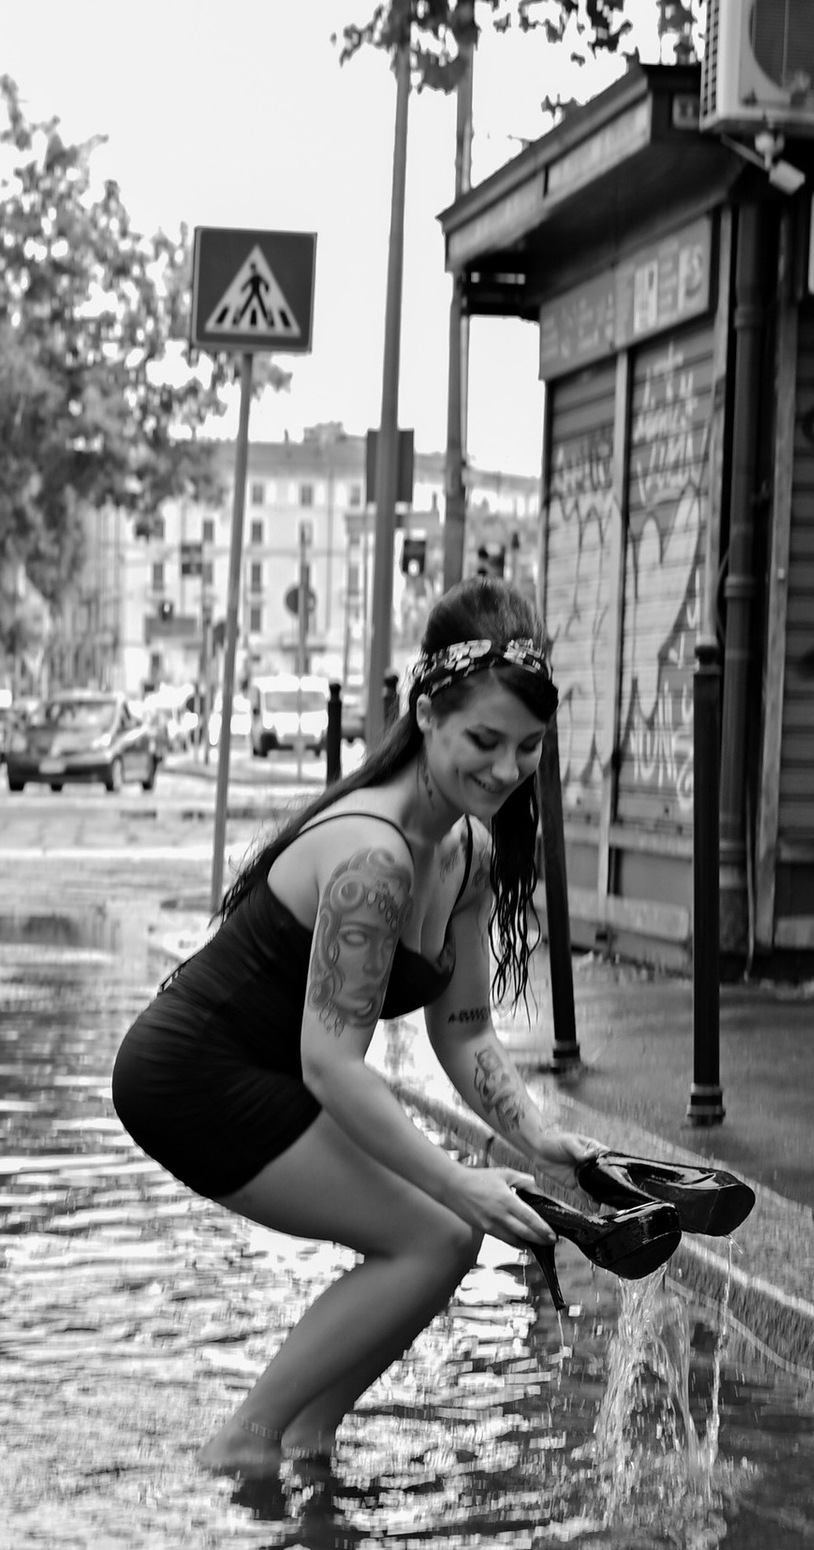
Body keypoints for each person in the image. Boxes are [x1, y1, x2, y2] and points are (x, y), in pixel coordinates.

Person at [112, 579, 592, 1474]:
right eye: (483, 742)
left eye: (528, 749)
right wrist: (460, 1179)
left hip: (275, 1072)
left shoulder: (469, 851)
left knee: (443, 1236)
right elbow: (333, 1067)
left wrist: (537, 1135)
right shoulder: (373, 856)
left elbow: (466, 1028)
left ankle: (306, 1442)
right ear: (426, 715)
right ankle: (243, 1446)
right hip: (192, 1076)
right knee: (436, 1231)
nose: (505, 770)